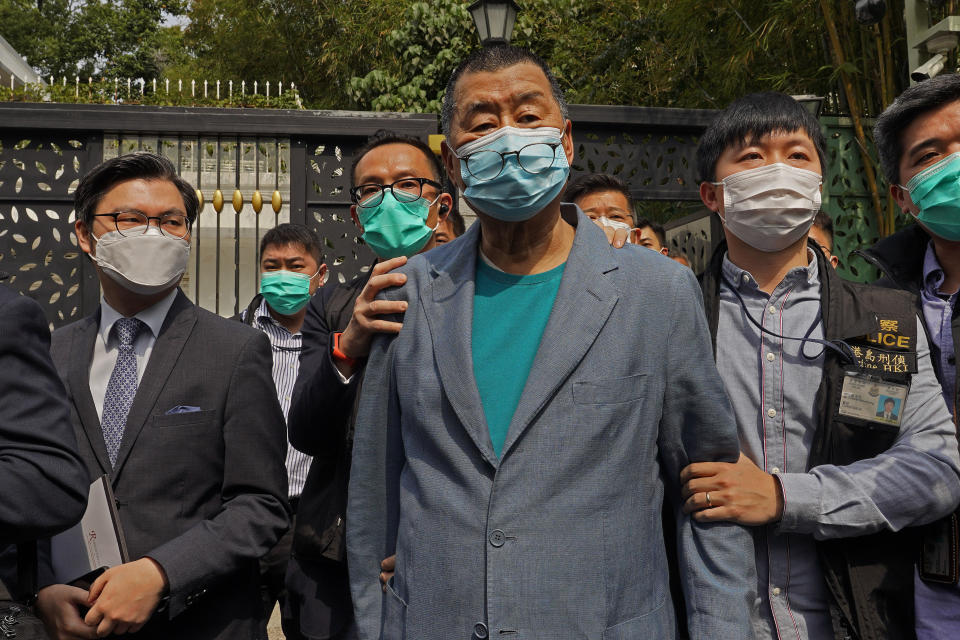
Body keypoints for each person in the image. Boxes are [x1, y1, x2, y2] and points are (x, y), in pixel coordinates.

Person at [347, 44, 755, 640]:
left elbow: (710, 494)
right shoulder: (408, 294)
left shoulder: (657, 292)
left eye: (528, 116)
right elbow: (374, 494)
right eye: (483, 124)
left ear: (565, 142)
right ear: (453, 164)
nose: (508, 138)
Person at [686, 91, 960, 639]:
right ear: (712, 195)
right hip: (718, 622)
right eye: (752, 158)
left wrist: (785, 497)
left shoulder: (885, 315)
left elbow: (936, 469)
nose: (777, 171)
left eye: (797, 155)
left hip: (859, 618)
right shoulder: (673, 316)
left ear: (818, 187)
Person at [37, 152, 290, 640]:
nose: (153, 233)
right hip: (73, 622)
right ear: (85, 235)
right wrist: (42, 587)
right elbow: (29, 490)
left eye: (171, 221)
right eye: (129, 218)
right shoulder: (51, 352)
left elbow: (261, 505)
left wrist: (162, 572)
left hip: (199, 622)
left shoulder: (235, 351)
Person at [285, 131, 452, 640]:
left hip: (445, 552)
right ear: (356, 216)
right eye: (371, 191)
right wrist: (349, 344)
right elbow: (307, 432)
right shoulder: (332, 305)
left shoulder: (479, 298)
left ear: (439, 205)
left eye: (406, 185)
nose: (388, 200)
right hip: (334, 558)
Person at [860, 72, 960, 638]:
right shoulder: (878, 306)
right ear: (903, 195)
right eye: (931, 154)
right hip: (925, 585)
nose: (956, 161)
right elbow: (872, 421)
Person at [237, 223, 327, 637]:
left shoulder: (338, 340)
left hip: (315, 517)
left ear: (319, 275)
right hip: (247, 512)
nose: (282, 274)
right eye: (272, 266)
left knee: (311, 625)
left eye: (295, 265)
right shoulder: (234, 337)